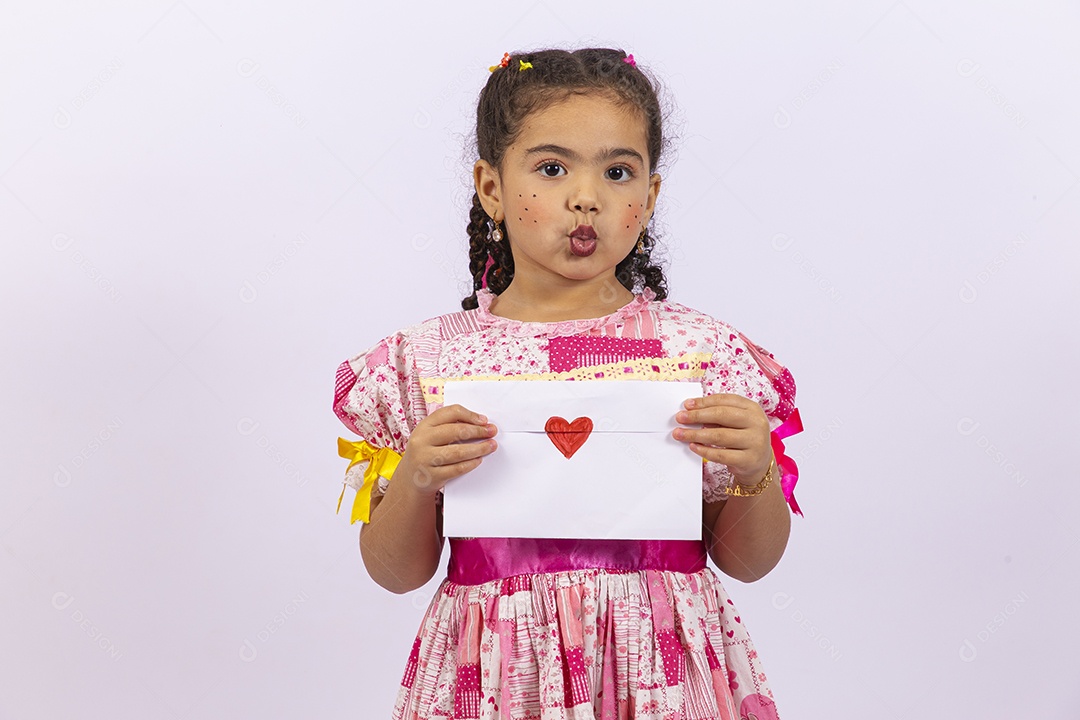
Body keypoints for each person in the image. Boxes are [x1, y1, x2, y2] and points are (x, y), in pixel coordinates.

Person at [333, 48, 805, 720]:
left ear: (650, 197)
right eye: (552, 168)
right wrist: (414, 476)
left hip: (661, 673)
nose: (587, 197)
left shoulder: (699, 354)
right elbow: (394, 572)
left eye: (618, 172)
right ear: (491, 188)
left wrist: (756, 470)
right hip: (500, 673)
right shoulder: (426, 362)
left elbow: (749, 563)